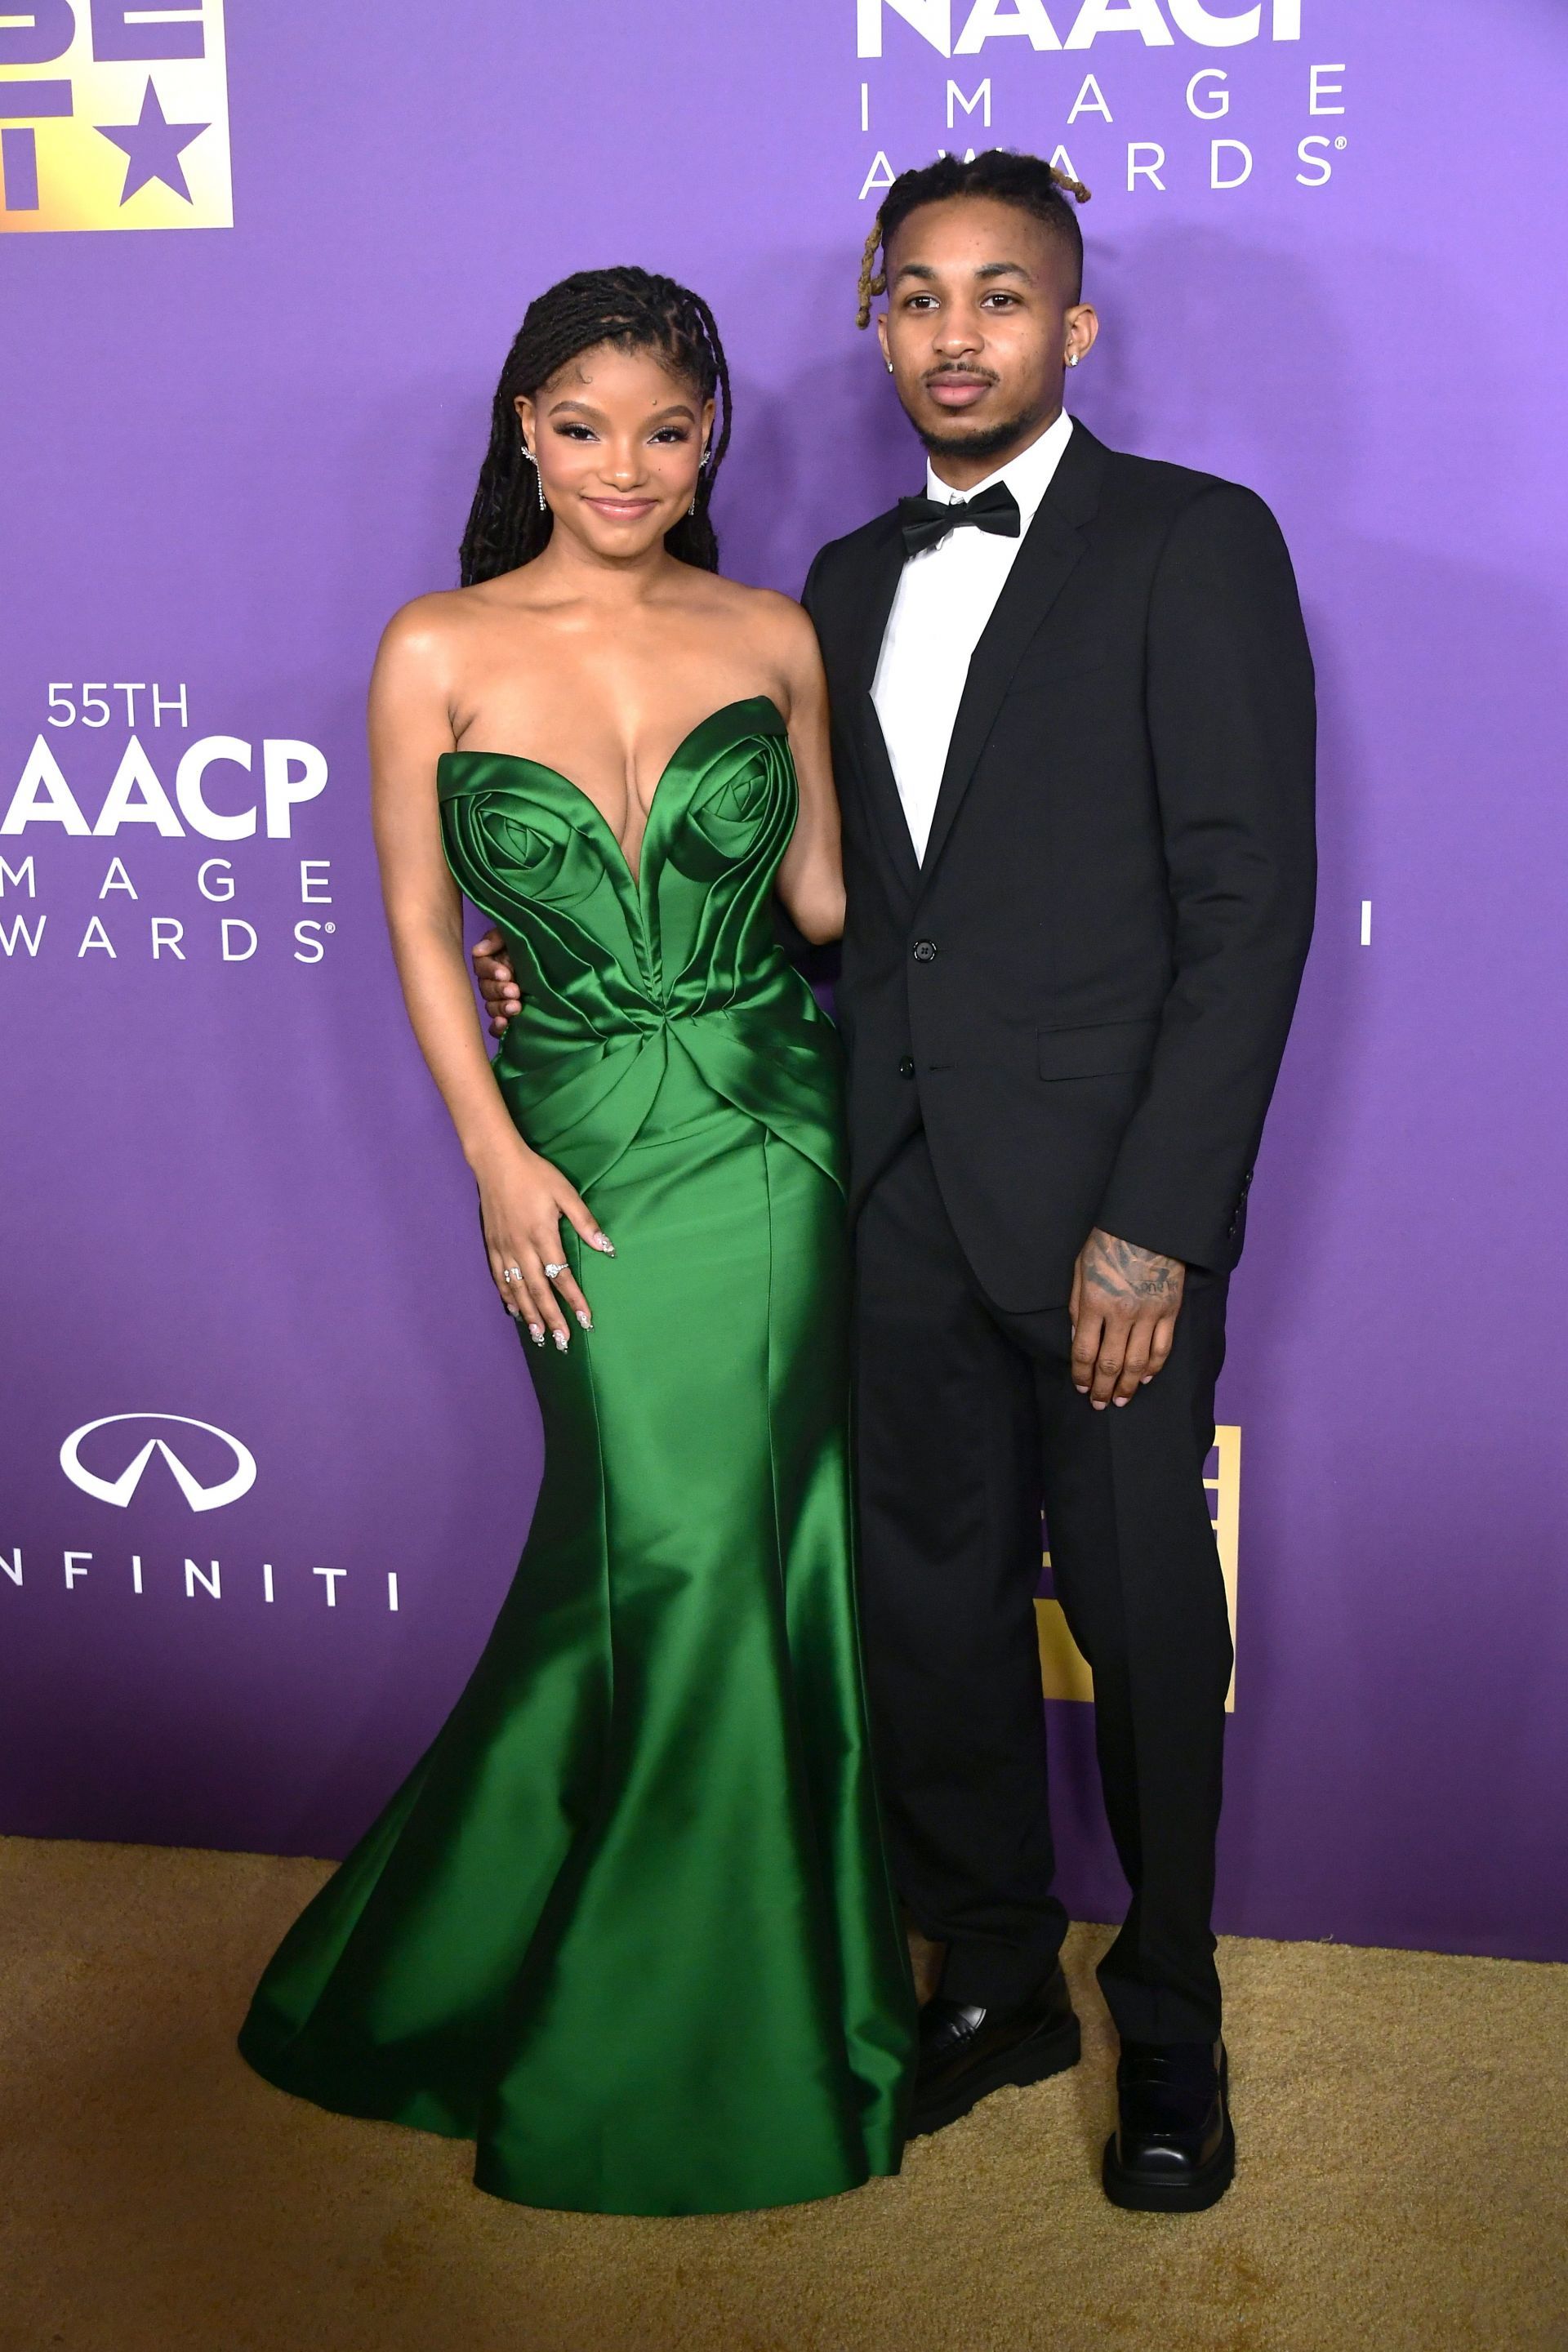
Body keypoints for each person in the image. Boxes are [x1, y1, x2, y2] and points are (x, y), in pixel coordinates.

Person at [476, 151, 1316, 2212]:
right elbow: (815, 899)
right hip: (883, 1188)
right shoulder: (832, 583)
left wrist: (1164, 1220)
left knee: (1138, 1624)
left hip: (1112, 1211)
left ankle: (1177, 2020)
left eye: (1001, 296)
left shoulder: (1194, 545)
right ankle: (1002, 1976)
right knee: (928, 1617)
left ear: (1071, 327)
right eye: (918, 296)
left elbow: (1252, 905)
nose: (957, 332)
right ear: (877, 321)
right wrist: (547, 938)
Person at [238, 267, 915, 2217]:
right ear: (525, 431)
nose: (627, 466)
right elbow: (419, 930)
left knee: (732, 1549)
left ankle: (697, 2005)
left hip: (775, 1138)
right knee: (652, 1540)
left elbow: (821, 900)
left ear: (715, 443)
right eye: (584, 423)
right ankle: (580, 1973)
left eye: (670, 429)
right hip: (575, 1152)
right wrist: (490, 1155)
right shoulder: (433, 646)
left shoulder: (774, 632)